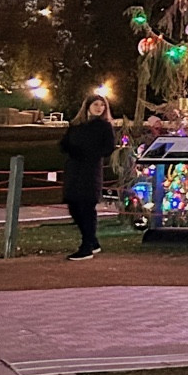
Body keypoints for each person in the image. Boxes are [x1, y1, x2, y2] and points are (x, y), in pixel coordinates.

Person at [58, 93, 117, 261]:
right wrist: (70, 149)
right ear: (88, 106)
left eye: (102, 105)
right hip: (74, 168)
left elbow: (108, 148)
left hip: (90, 170)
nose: (99, 108)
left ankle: (86, 246)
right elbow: (64, 143)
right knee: (73, 206)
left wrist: (90, 153)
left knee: (86, 206)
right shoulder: (76, 125)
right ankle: (93, 241)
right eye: (95, 104)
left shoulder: (104, 126)